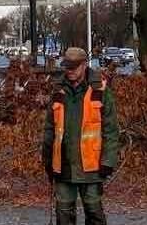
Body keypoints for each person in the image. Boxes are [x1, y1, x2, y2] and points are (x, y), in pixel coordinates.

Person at [42, 47, 120, 225]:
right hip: (63, 165)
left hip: (91, 166)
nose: (69, 71)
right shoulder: (58, 91)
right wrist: (47, 160)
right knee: (63, 214)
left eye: (73, 67)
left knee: (94, 212)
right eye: (67, 67)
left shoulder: (99, 90)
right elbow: (50, 129)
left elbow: (111, 130)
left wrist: (108, 161)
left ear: (84, 65)